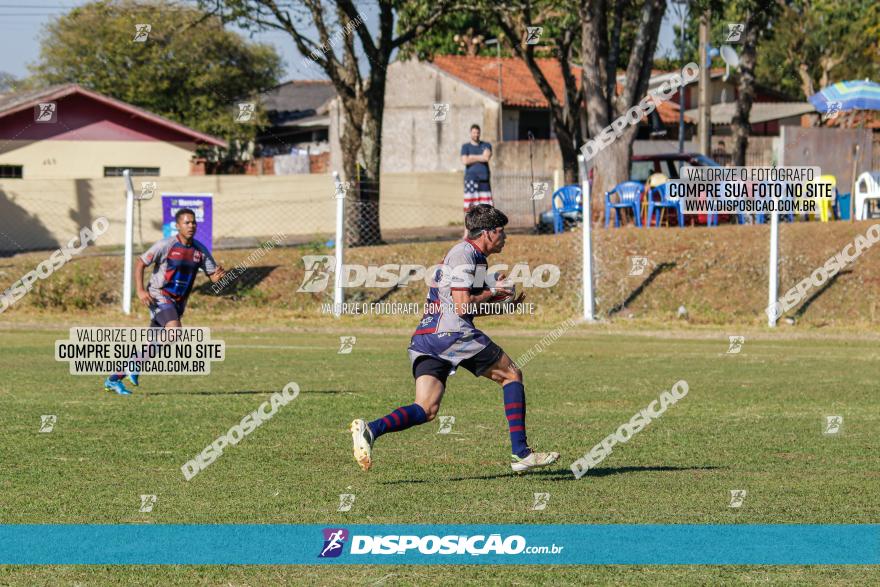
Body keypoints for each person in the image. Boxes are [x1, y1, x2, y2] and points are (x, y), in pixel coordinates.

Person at [350, 204, 559, 474]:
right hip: (452, 335)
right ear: (486, 233)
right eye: (501, 232)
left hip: (428, 338)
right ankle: (521, 453)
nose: (505, 237)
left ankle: (370, 430)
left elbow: (466, 307)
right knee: (511, 375)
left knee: (426, 408)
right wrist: (494, 290)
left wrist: (502, 305)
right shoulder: (464, 254)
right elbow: (462, 307)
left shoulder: (470, 257)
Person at [103, 208, 226, 395]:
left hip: (178, 303)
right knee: (174, 331)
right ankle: (133, 367)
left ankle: (113, 380)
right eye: (187, 222)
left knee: (151, 348)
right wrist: (141, 290)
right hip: (159, 295)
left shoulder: (200, 251)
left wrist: (221, 277)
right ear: (177, 226)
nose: (191, 225)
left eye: (193, 222)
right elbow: (141, 262)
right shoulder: (166, 245)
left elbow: (214, 277)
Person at [460, 124, 493, 237]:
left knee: (486, 207)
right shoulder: (465, 147)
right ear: (471, 133)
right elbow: (464, 161)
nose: (476, 134)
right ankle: (466, 233)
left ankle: (487, 231)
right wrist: (480, 157)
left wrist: (471, 157)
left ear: (480, 133)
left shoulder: (486, 145)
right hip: (470, 181)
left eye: (477, 132)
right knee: (469, 207)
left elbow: (486, 157)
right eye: (474, 132)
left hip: (484, 180)